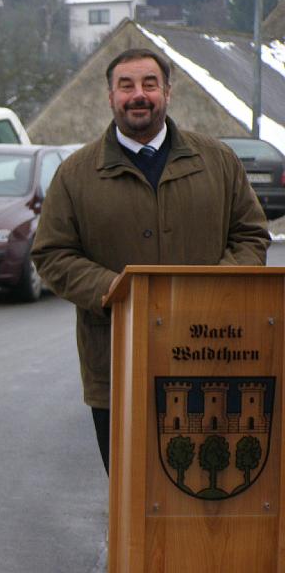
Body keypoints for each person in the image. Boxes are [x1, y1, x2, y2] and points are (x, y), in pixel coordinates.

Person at [31, 48, 270, 475]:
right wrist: (117, 291)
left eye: (149, 84)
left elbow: (251, 235)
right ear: (110, 97)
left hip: (211, 357)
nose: (138, 95)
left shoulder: (217, 161)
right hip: (116, 361)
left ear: (167, 93)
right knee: (128, 489)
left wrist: (213, 291)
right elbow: (52, 253)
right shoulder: (76, 173)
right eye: (126, 86)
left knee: (206, 487)